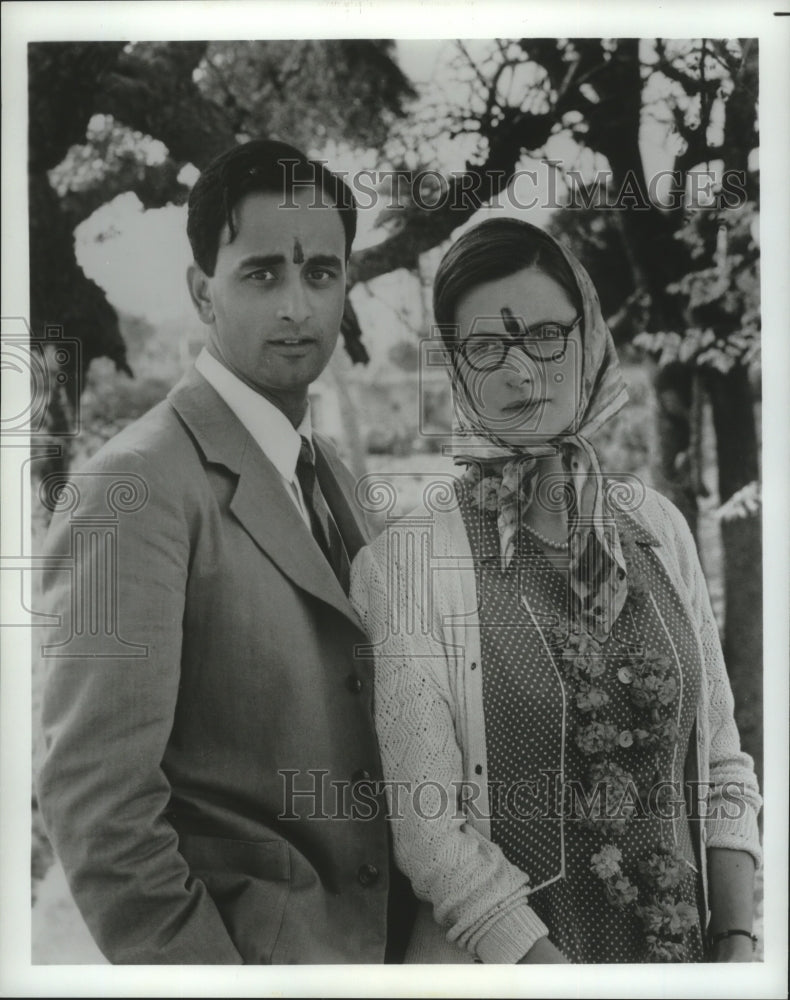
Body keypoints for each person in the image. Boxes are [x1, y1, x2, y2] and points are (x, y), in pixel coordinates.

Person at [36, 138, 414, 964]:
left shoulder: (337, 480)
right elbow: (97, 805)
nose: (297, 306)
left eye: (320, 273)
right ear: (202, 290)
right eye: (262, 273)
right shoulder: (128, 487)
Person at [350, 218, 762, 964]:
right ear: (456, 369)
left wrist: (736, 940)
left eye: (545, 334)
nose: (523, 373)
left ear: (589, 339)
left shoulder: (657, 530)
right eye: (487, 348)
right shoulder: (408, 565)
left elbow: (722, 757)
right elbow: (430, 831)